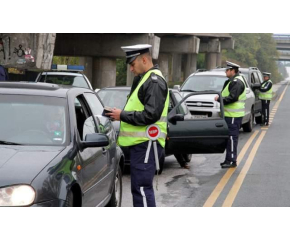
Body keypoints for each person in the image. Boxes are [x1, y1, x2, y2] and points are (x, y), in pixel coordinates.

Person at [106, 44, 169, 207]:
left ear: (144, 59)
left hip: (147, 143)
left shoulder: (153, 81)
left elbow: (151, 115)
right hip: (141, 145)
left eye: (132, 64)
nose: (131, 69)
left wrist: (122, 115)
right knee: (139, 188)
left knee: (141, 188)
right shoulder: (144, 80)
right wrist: (118, 115)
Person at [214, 61, 246, 168]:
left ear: (233, 71)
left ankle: (232, 161)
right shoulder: (231, 81)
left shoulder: (237, 82)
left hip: (233, 116)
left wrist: (220, 99)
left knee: (232, 138)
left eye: (227, 70)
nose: (225, 71)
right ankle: (228, 159)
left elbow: (232, 98)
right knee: (229, 138)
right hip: (229, 115)